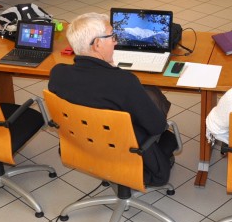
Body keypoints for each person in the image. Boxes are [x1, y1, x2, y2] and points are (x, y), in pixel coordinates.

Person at [48, 13, 178, 187]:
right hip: (127, 158)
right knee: (163, 126)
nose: (116, 42)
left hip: (83, 150)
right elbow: (157, 126)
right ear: (97, 44)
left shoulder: (58, 74)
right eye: (112, 37)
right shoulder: (124, 82)